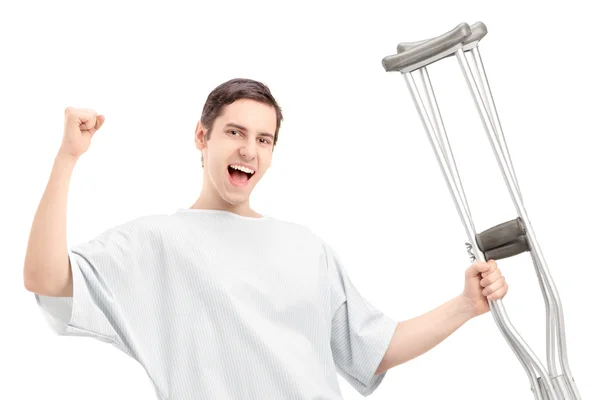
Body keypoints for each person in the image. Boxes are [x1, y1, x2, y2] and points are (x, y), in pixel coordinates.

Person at [23, 78, 508, 400]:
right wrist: (67, 158)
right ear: (201, 136)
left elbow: (372, 349)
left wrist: (465, 304)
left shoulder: (305, 247)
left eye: (263, 139)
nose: (248, 150)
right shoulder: (155, 243)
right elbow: (44, 277)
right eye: (235, 132)